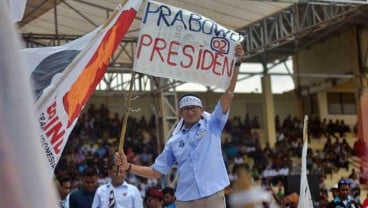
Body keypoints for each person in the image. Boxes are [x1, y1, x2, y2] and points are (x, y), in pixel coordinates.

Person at [114, 44, 245, 208]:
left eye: (194, 108)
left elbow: (229, 94)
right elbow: (156, 172)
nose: (190, 112)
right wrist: (128, 167)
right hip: (185, 199)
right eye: (186, 109)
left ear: (201, 109)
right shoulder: (174, 141)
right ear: (180, 113)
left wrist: (237, 64)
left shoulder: (213, 124)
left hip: (212, 194)